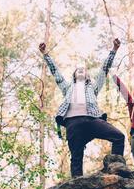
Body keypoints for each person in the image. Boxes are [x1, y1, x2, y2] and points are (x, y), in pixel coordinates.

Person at [39, 39, 125, 178]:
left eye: (83, 70)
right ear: (73, 75)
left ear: (87, 76)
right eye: (78, 70)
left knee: (118, 136)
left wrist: (114, 50)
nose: (80, 71)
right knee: (76, 156)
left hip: (92, 120)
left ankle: (116, 170)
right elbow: (56, 73)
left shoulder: (93, 87)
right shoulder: (67, 87)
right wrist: (45, 54)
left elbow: (104, 69)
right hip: (72, 123)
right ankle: (77, 186)